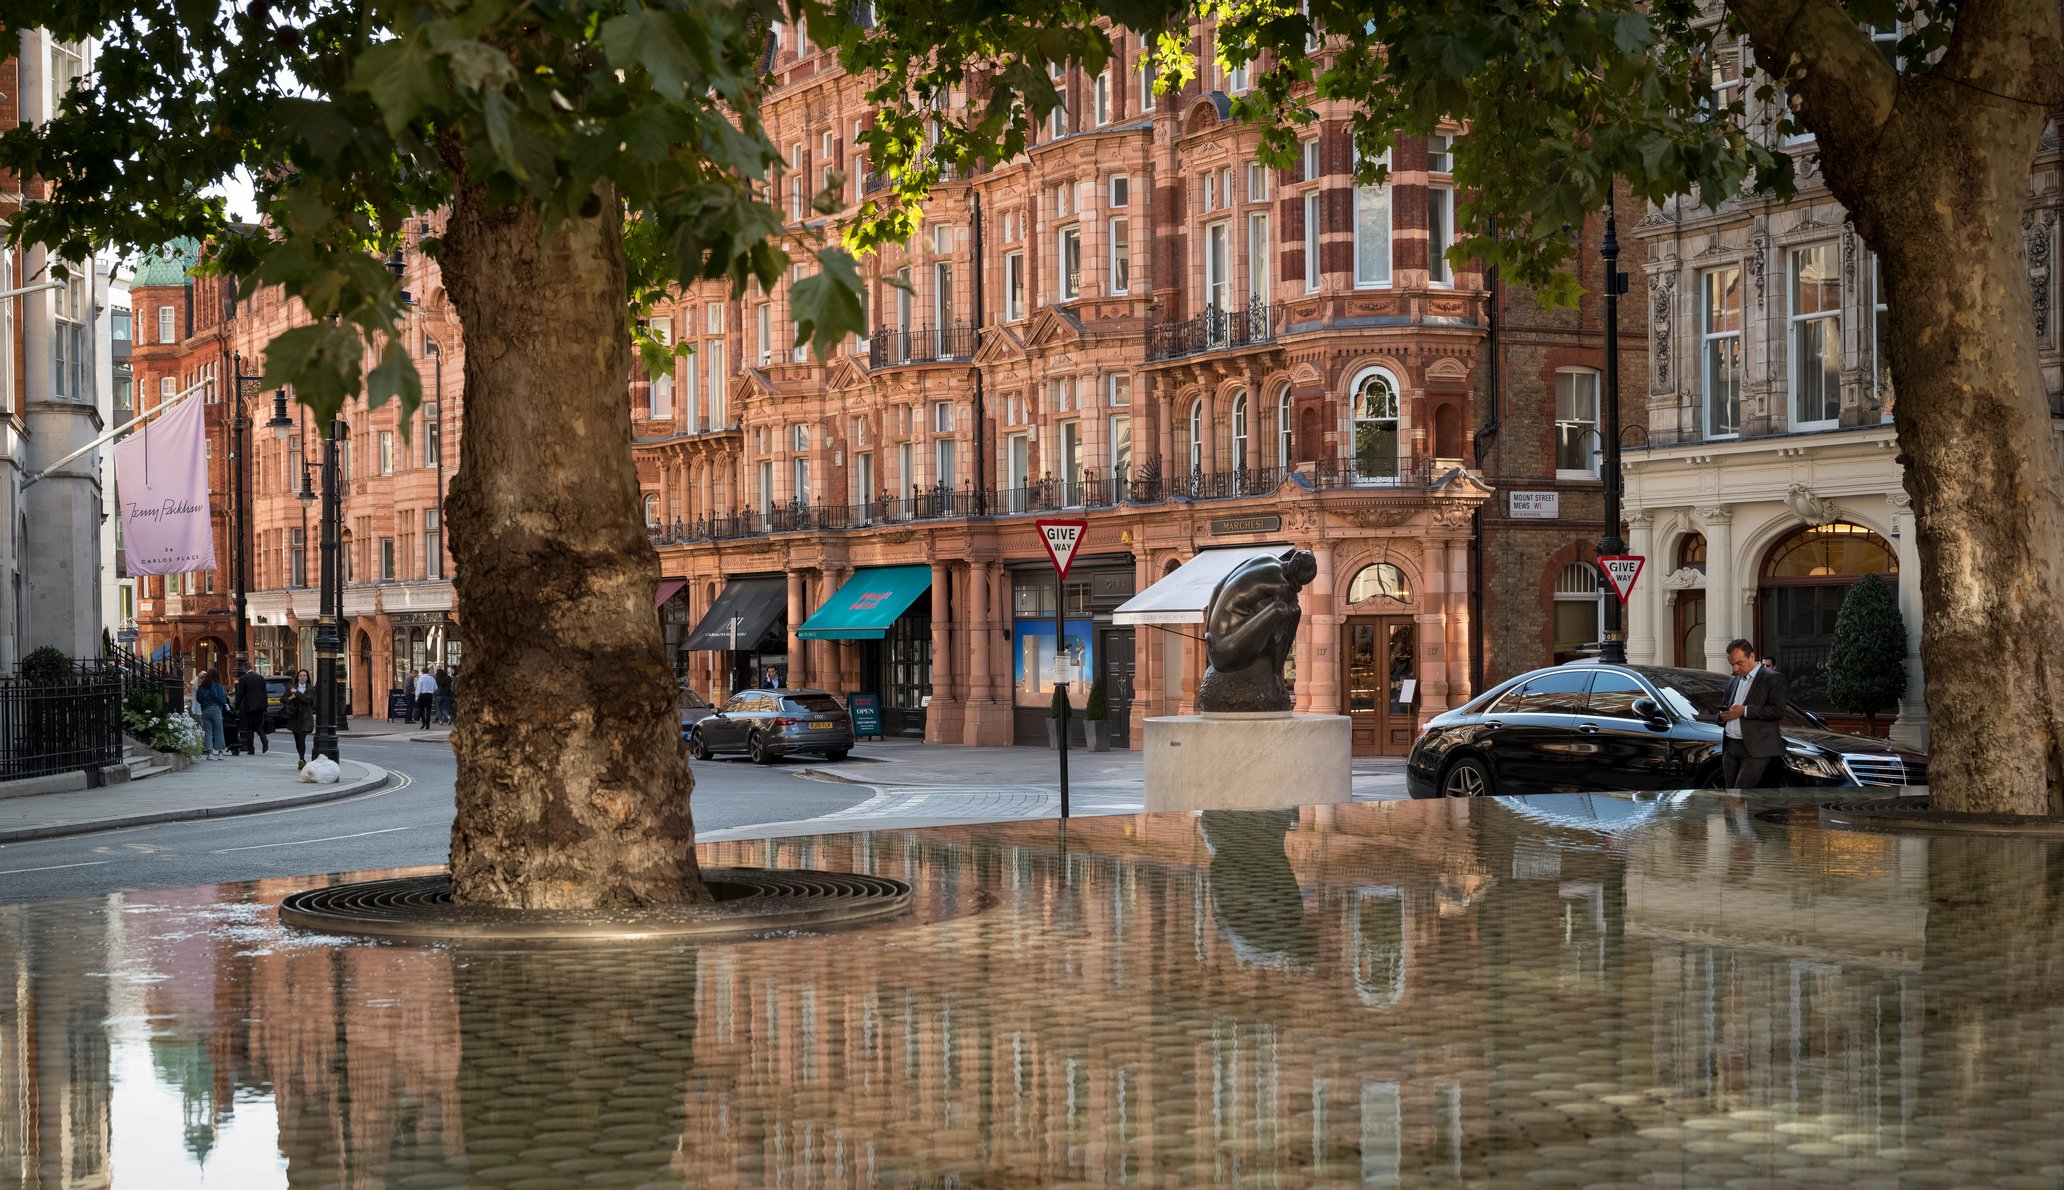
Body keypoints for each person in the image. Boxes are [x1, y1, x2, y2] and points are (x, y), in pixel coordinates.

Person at [1715, 638, 1789, 789]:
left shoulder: (1773, 678)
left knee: (1740, 795)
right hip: (1730, 748)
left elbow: (1778, 710)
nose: (1735, 669)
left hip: (1756, 749)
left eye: (1739, 663)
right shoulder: (1732, 682)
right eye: (1732, 664)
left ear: (1752, 657)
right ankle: (1735, 814)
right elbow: (1726, 708)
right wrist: (1722, 717)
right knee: (1731, 795)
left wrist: (1745, 711)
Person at [282, 668, 316, 768]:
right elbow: (282, 699)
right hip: (295, 717)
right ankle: (301, 758)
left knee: (302, 738)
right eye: (300, 675)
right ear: (297, 677)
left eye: (304, 675)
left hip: (306, 718)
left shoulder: (310, 688)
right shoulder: (292, 687)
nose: (302, 677)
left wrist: (296, 693)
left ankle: (301, 759)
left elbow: (307, 700)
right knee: (297, 740)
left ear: (307, 678)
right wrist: (290, 698)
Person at [234, 664, 271, 755]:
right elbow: (264, 692)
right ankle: (264, 740)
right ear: (252, 668)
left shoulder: (243, 679)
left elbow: (240, 694)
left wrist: (237, 707)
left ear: (244, 669)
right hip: (260, 707)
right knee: (258, 725)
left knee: (249, 728)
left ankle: (251, 749)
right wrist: (265, 706)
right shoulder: (260, 678)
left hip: (248, 707)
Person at [193, 670, 230, 759]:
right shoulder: (218, 686)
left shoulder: (203, 686)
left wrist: (204, 702)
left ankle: (210, 753)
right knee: (219, 731)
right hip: (216, 709)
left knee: (208, 731)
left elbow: (199, 698)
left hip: (205, 710)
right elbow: (223, 698)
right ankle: (220, 753)